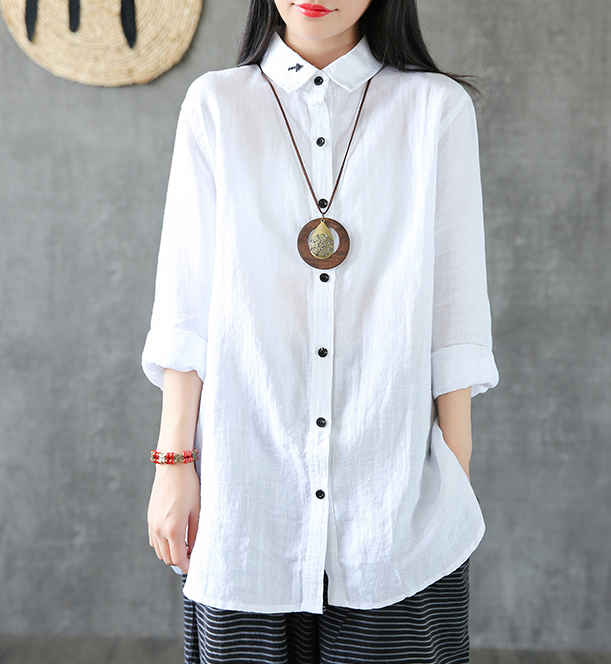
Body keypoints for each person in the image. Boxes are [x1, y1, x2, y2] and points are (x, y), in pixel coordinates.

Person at [142, 0, 500, 662]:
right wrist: (173, 466)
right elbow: (186, 309)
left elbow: (454, 316)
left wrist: (452, 475)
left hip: (393, 502)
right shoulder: (216, 105)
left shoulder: (435, 109)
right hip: (244, 491)